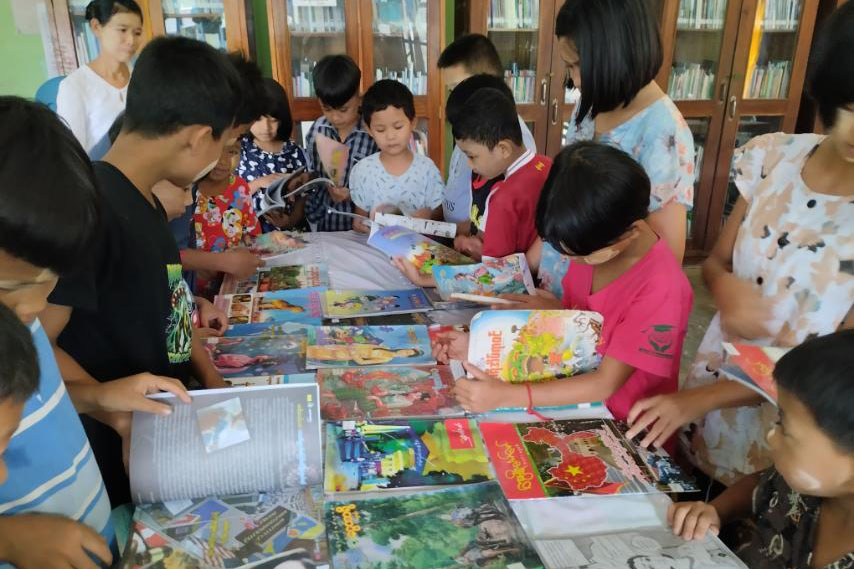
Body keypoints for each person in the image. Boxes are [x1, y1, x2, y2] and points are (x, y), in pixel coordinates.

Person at [625, 0, 854, 490]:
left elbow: (838, 375)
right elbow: (717, 262)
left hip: (790, 442)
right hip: (707, 402)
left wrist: (700, 400)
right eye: (850, 109)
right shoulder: (776, 159)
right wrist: (725, 287)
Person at [42, 36, 237, 506]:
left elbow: (174, 310)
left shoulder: (146, 201)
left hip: (163, 427)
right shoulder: (91, 210)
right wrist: (114, 412)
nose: (219, 159)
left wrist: (213, 384)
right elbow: (36, 345)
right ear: (197, 137)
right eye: (223, 144)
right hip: (116, 448)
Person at [0, 96, 191, 569]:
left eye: (51, 283)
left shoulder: (19, 320)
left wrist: (103, 398)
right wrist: (7, 540)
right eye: (14, 288)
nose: (36, 308)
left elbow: (45, 396)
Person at [432, 142, 692, 432]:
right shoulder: (590, 238)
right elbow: (576, 332)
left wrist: (506, 396)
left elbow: (604, 383)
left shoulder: (662, 288)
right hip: (566, 394)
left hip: (622, 425)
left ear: (630, 232)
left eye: (581, 256)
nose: (573, 262)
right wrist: (480, 345)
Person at [529, 0, 695, 302]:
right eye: (569, 66)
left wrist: (579, 313)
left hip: (600, 306)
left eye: (577, 66)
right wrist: (527, 265)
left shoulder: (664, 133)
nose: (574, 80)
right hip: (558, 290)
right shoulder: (591, 104)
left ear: (615, 54)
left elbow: (663, 262)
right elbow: (567, 200)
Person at [667, 330, 854, 569]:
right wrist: (716, 510)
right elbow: (764, 485)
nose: (771, 438)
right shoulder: (808, 483)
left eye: (786, 430)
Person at [437, 33, 537, 231]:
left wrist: (470, 233)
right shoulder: (472, 130)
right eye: (451, 91)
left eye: (458, 88)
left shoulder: (511, 139)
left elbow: (506, 217)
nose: (454, 98)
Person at [449, 87, 550, 260]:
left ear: (503, 149)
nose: (469, 164)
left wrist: (476, 250)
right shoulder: (547, 164)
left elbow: (495, 269)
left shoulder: (502, 198)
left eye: (472, 156)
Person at [349, 80, 444, 232]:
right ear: (369, 130)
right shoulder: (363, 170)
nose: (390, 136)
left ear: (413, 123)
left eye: (398, 127)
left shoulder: (427, 169)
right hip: (376, 246)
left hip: (417, 246)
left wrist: (429, 215)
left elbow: (440, 215)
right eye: (381, 130)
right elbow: (359, 222)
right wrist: (366, 227)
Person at [300, 55, 379, 231]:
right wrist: (306, 179)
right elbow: (315, 172)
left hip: (363, 228)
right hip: (325, 225)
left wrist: (353, 195)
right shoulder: (317, 130)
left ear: (359, 97)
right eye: (327, 109)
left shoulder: (373, 133)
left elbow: (386, 184)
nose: (335, 117)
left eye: (344, 109)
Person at [57, 0, 143, 157]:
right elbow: (72, 156)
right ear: (96, 27)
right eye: (123, 30)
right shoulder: (75, 86)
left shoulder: (142, 77)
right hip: (100, 171)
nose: (131, 40)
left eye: (137, 33)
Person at [192, 139, 262, 298]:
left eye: (232, 152)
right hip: (191, 292)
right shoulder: (185, 193)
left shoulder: (240, 187)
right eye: (216, 151)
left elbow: (252, 236)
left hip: (231, 284)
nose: (223, 161)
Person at [238, 78, 308, 232]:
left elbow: (301, 200)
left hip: (291, 235)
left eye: (273, 120)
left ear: (282, 119)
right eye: (258, 119)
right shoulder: (238, 151)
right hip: (252, 235)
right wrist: (258, 183)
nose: (266, 127)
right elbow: (227, 197)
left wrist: (290, 221)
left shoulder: (294, 152)